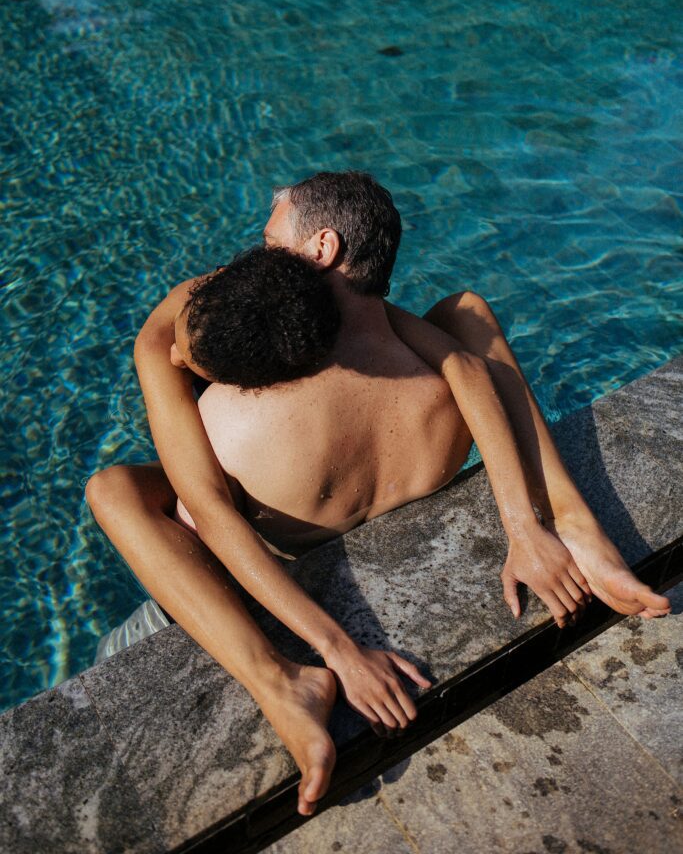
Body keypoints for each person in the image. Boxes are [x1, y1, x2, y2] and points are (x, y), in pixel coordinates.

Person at [86, 171, 670, 817]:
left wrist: (335, 649)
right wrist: (525, 524)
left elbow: (213, 508)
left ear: (321, 248)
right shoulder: (435, 360)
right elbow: (465, 362)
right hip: (393, 469)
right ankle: (576, 526)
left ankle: (277, 684)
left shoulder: (225, 400)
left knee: (115, 489)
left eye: (268, 237)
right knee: (464, 309)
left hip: (238, 568)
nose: (257, 250)